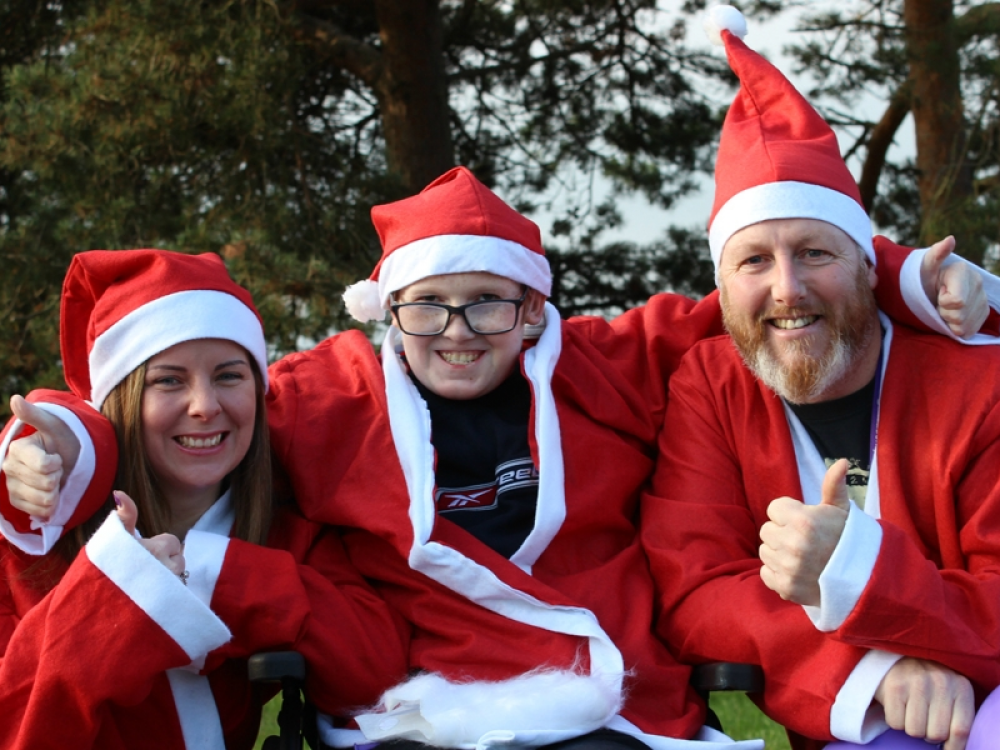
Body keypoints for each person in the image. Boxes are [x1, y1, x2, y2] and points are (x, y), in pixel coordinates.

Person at [3, 175, 992, 748]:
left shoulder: (600, 365)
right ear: (387, 313)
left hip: (608, 701)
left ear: (534, 311)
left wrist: (905, 273)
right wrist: (53, 438)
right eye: (428, 306)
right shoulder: (324, 394)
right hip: (408, 714)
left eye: (491, 304)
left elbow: (766, 301)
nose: (460, 333)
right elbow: (167, 403)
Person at [640, 7, 1000, 750]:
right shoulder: (709, 384)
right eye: (754, 261)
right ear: (721, 283)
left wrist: (859, 574)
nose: (787, 289)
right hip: (864, 716)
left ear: (874, 264)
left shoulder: (979, 376)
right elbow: (696, 589)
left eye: (815, 253)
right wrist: (872, 669)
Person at [0, 250, 408, 750]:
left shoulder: (286, 532)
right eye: (169, 379)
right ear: (120, 398)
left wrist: (223, 575)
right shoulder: (31, 545)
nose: (205, 406)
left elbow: (376, 675)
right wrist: (112, 603)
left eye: (229, 375)